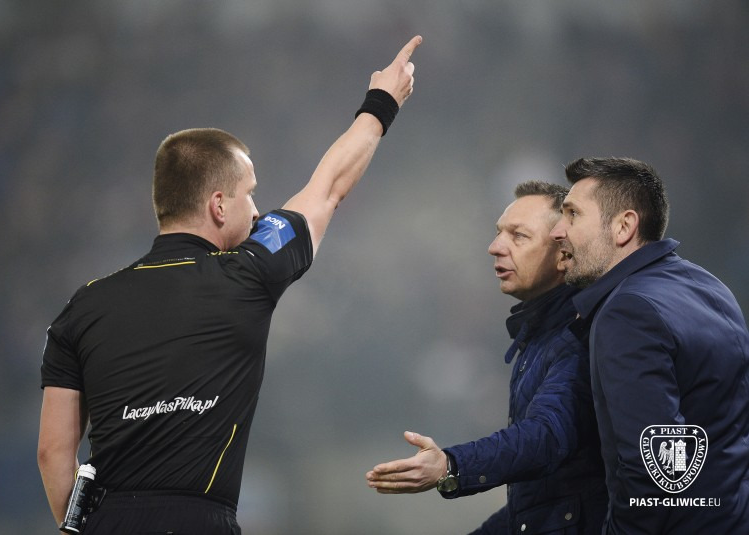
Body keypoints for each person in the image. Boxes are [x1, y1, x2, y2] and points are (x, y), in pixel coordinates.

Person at [37, 35, 422, 534]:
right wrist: (381, 103)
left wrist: (83, 526)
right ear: (219, 205)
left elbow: (52, 453)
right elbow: (327, 188)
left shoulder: (83, 306)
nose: (258, 211)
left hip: (106, 521)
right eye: (250, 194)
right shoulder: (247, 273)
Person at [366, 181, 607, 534]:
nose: (495, 247)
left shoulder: (578, 336)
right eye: (498, 233)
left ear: (563, 252)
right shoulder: (541, 334)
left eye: (518, 236)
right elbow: (540, 502)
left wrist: (450, 466)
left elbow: (545, 437)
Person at [550, 157, 749, 533]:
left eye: (572, 214)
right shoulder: (709, 286)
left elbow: (654, 473)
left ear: (623, 226)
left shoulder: (627, 312)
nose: (557, 231)